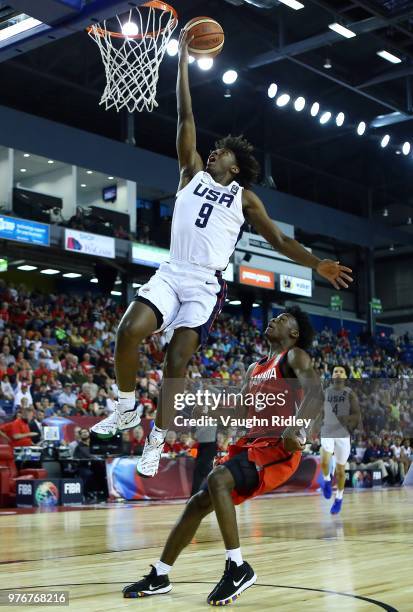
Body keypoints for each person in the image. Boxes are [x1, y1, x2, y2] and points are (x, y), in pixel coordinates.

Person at [91, 28, 353, 480]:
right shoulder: (190, 172)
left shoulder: (245, 198)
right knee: (128, 330)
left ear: (234, 166)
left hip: (206, 283)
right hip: (172, 272)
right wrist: (184, 63)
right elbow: (185, 114)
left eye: (221, 153)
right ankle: (127, 408)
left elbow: (280, 242)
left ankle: (156, 440)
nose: (212, 153)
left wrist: (317, 264)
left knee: (176, 361)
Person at [122, 307, 323, 605]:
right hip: (252, 444)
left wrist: (299, 425)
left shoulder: (294, 357)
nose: (273, 319)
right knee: (197, 504)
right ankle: (160, 575)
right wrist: (210, 410)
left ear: (293, 334)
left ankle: (238, 567)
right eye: (274, 316)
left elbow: (315, 395)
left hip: (278, 449)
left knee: (217, 479)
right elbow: (239, 411)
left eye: (282, 319)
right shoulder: (255, 368)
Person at [319, 365, 360, 514]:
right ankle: (326, 480)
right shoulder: (325, 392)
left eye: (341, 371)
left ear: (345, 376)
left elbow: (356, 415)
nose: (337, 373)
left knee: (341, 472)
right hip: (328, 430)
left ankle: (339, 498)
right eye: (335, 371)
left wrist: (348, 419)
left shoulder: (350, 394)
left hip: (343, 434)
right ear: (332, 375)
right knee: (324, 461)